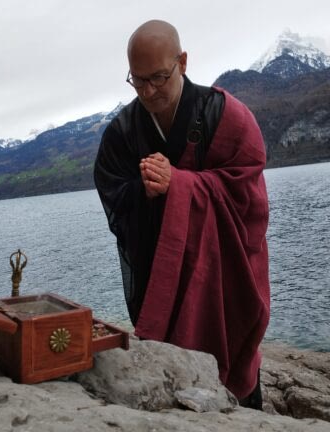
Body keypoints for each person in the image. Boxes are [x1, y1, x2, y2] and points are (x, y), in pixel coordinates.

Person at [93, 20, 270, 409]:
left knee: (238, 372)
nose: (148, 91)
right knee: (171, 384)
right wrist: (148, 187)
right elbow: (114, 194)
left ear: (183, 62)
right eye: (137, 81)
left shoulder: (226, 116)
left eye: (158, 77)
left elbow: (248, 194)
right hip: (162, 272)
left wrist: (182, 185)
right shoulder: (122, 133)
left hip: (224, 271)